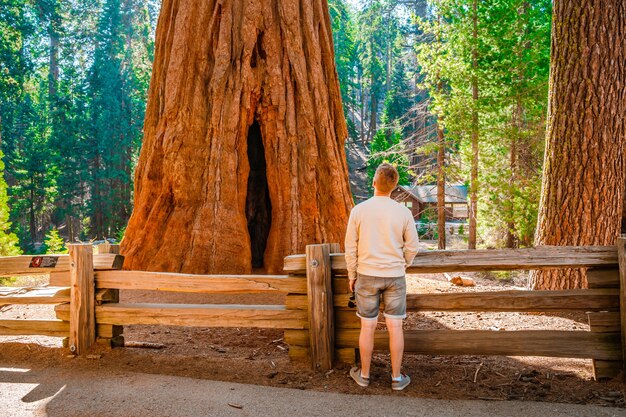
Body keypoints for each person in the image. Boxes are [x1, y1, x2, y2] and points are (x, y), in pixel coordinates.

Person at [344, 163, 419, 391]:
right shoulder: (403, 212)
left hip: (366, 274)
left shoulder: (359, 210)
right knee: (395, 327)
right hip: (394, 275)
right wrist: (403, 263)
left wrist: (351, 274)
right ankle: (396, 378)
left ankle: (365, 375)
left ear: (374, 182)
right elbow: (413, 246)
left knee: (367, 327)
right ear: (394, 186)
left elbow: (350, 247)